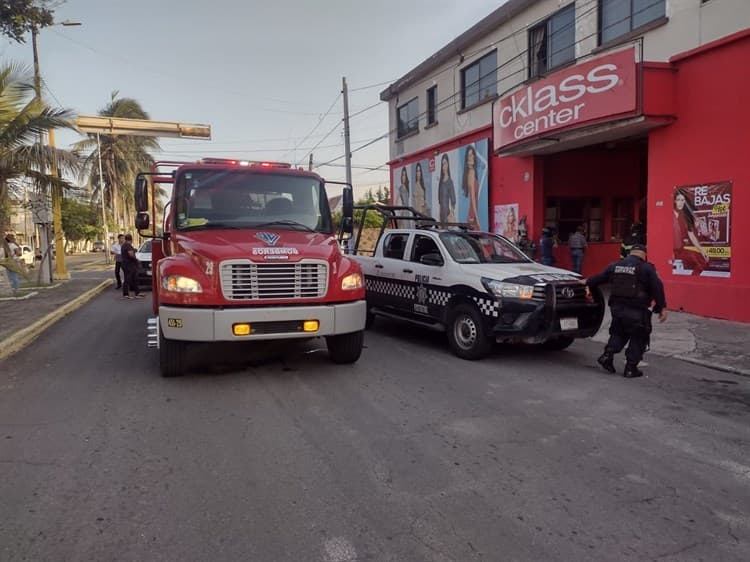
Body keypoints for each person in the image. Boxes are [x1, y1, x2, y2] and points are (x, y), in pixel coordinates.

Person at [583, 243, 668, 378]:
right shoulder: (647, 268)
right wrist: (662, 307)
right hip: (637, 310)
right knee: (638, 336)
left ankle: (607, 355)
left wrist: (586, 282)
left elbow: (599, 278)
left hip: (617, 309)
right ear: (644, 255)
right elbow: (657, 288)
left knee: (618, 332)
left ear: (630, 253)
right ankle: (631, 368)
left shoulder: (614, 266)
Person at [673, 189, 709, 276]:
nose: (681, 203)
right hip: (668, 251)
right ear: (674, 201)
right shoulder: (668, 214)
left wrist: (701, 250)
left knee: (703, 260)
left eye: (683, 200)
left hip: (680, 251)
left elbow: (691, 234)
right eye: (678, 200)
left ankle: (693, 280)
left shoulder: (685, 216)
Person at [461, 145, 480, 228]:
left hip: (472, 214)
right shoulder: (471, 173)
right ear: (467, 159)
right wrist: (477, 219)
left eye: (472, 154)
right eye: (469, 155)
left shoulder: (472, 172)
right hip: (473, 215)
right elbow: (472, 199)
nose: (471, 157)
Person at [120, 234, 143, 300]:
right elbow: (131, 254)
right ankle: (125, 294)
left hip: (126, 264)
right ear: (131, 239)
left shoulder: (124, 245)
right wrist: (136, 260)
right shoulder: (128, 245)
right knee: (128, 279)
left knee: (135, 279)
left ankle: (137, 293)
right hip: (129, 265)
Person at [437, 154, 456, 223]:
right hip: (441, 215)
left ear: (448, 164)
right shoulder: (441, 182)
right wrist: (439, 216)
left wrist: (451, 214)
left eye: (445, 163)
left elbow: (453, 201)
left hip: (447, 215)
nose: (443, 166)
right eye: (442, 164)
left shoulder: (450, 182)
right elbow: (440, 202)